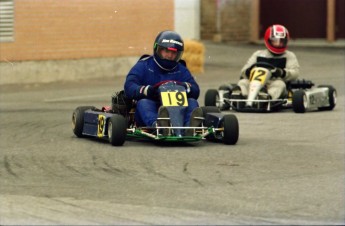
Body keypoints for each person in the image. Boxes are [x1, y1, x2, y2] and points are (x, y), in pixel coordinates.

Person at [124, 30, 202, 135]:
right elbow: (129, 85)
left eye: (173, 52)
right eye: (166, 51)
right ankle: (159, 126)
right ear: (158, 50)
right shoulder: (144, 65)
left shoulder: (181, 69)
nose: (170, 55)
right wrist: (146, 90)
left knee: (192, 101)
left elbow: (195, 89)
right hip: (154, 106)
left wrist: (185, 87)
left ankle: (189, 127)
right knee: (143, 103)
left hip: (178, 109)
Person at [236, 24, 300, 100]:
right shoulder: (258, 54)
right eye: (275, 41)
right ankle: (240, 96)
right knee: (243, 82)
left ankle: (265, 97)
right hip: (256, 83)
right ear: (268, 40)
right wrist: (248, 71)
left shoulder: (289, 56)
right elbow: (243, 72)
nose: (278, 44)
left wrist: (281, 72)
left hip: (275, 83)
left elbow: (295, 73)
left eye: (281, 41)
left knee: (280, 84)